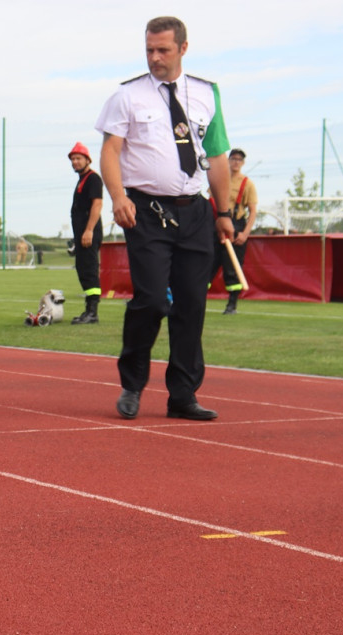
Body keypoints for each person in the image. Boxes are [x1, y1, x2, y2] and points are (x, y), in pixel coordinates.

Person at [95, 16, 234, 421]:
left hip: (195, 213)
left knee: (191, 306)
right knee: (153, 300)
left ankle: (183, 396)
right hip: (146, 212)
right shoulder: (128, 96)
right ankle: (132, 384)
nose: (155, 58)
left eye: (163, 50)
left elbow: (218, 157)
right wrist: (118, 197)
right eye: (149, 50)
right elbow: (110, 152)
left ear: (183, 49)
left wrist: (223, 212)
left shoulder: (208, 94)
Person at [210, 148, 257, 314]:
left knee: (232, 267)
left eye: (239, 160)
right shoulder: (220, 179)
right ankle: (197, 299)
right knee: (208, 263)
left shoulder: (247, 183)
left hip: (236, 225)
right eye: (233, 158)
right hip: (217, 224)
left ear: (243, 163)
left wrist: (245, 233)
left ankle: (232, 304)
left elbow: (253, 211)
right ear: (228, 160)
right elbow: (211, 200)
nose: (236, 162)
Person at [68, 141, 104, 324]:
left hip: (89, 233)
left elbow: (97, 204)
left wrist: (89, 230)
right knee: (83, 269)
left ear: (87, 160)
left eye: (78, 158)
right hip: (81, 234)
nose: (75, 162)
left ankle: (92, 312)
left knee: (89, 269)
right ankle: (88, 310)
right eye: (73, 159)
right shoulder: (82, 179)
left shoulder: (93, 179)